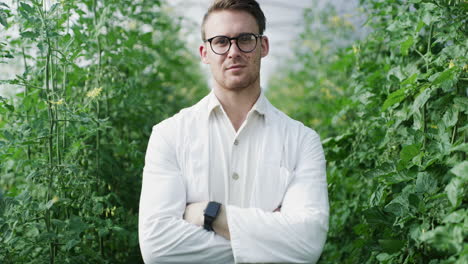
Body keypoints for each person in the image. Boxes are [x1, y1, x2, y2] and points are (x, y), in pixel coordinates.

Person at [138, 0, 329, 263]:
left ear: (264, 46)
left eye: (245, 39)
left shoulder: (302, 141)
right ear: (205, 53)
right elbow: (157, 248)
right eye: (221, 42)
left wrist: (210, 215)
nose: (233, 51)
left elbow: (307, 243)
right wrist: (271, 240)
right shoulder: (169, 135)